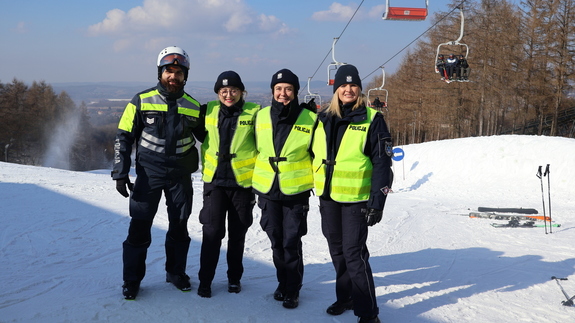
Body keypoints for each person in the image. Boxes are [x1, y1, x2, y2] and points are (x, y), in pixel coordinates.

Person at [112, 46, 204, 300]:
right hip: (148, 175)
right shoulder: (141, 100)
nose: (173, 76)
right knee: (139, 226)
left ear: (186, 76)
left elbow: (212, 136)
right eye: (169, 71)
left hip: (180, 177)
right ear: (160, 73)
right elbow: (123, 137)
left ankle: (175, 273)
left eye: (178, 72)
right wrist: (120, 172)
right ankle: (131, 280)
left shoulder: (194, 106)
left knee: (179, 227)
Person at [311, 64, 393, 323]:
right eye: (343, 86)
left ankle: (369, 313)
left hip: (357, 199)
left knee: (354, 254)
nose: (348, 89)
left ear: (359, 89)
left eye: (353, 85)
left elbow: (382, 163)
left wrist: (377, 201)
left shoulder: (372, 119)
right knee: (337, 250)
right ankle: (345, 297)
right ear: (336, 90)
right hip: (329, 197)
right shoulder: (323, 118)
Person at [252, 69, 317, 309]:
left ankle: (293, 289)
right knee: (276, 241)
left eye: (288, 89)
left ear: (295, 92)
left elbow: (318, 153)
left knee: (291, 241)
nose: (283, 93)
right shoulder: (260, 117)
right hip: (268, 190)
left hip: (295, 191)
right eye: (278, 89)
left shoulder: (309, 119)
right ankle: (282, 283)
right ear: (272, 92)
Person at [196, 71, 260, 298]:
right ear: (217, 93)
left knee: (237, 234)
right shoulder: (208, 110)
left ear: (242, 92)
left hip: (242, 184)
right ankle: (205, 280)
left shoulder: (255, 112)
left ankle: (234, 278)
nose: (228, 95)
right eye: (224, 91)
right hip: (215, 183)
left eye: (233, 90)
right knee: (212, 233)